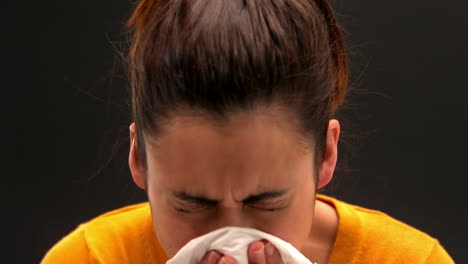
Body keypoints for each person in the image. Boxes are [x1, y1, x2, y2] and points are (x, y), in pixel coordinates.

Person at [41, 0, 455, 263]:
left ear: (326, 154)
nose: (229, 237)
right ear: (138, 159)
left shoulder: (411, 260)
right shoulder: (88, 258)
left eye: (266, 203)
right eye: (191, 205)